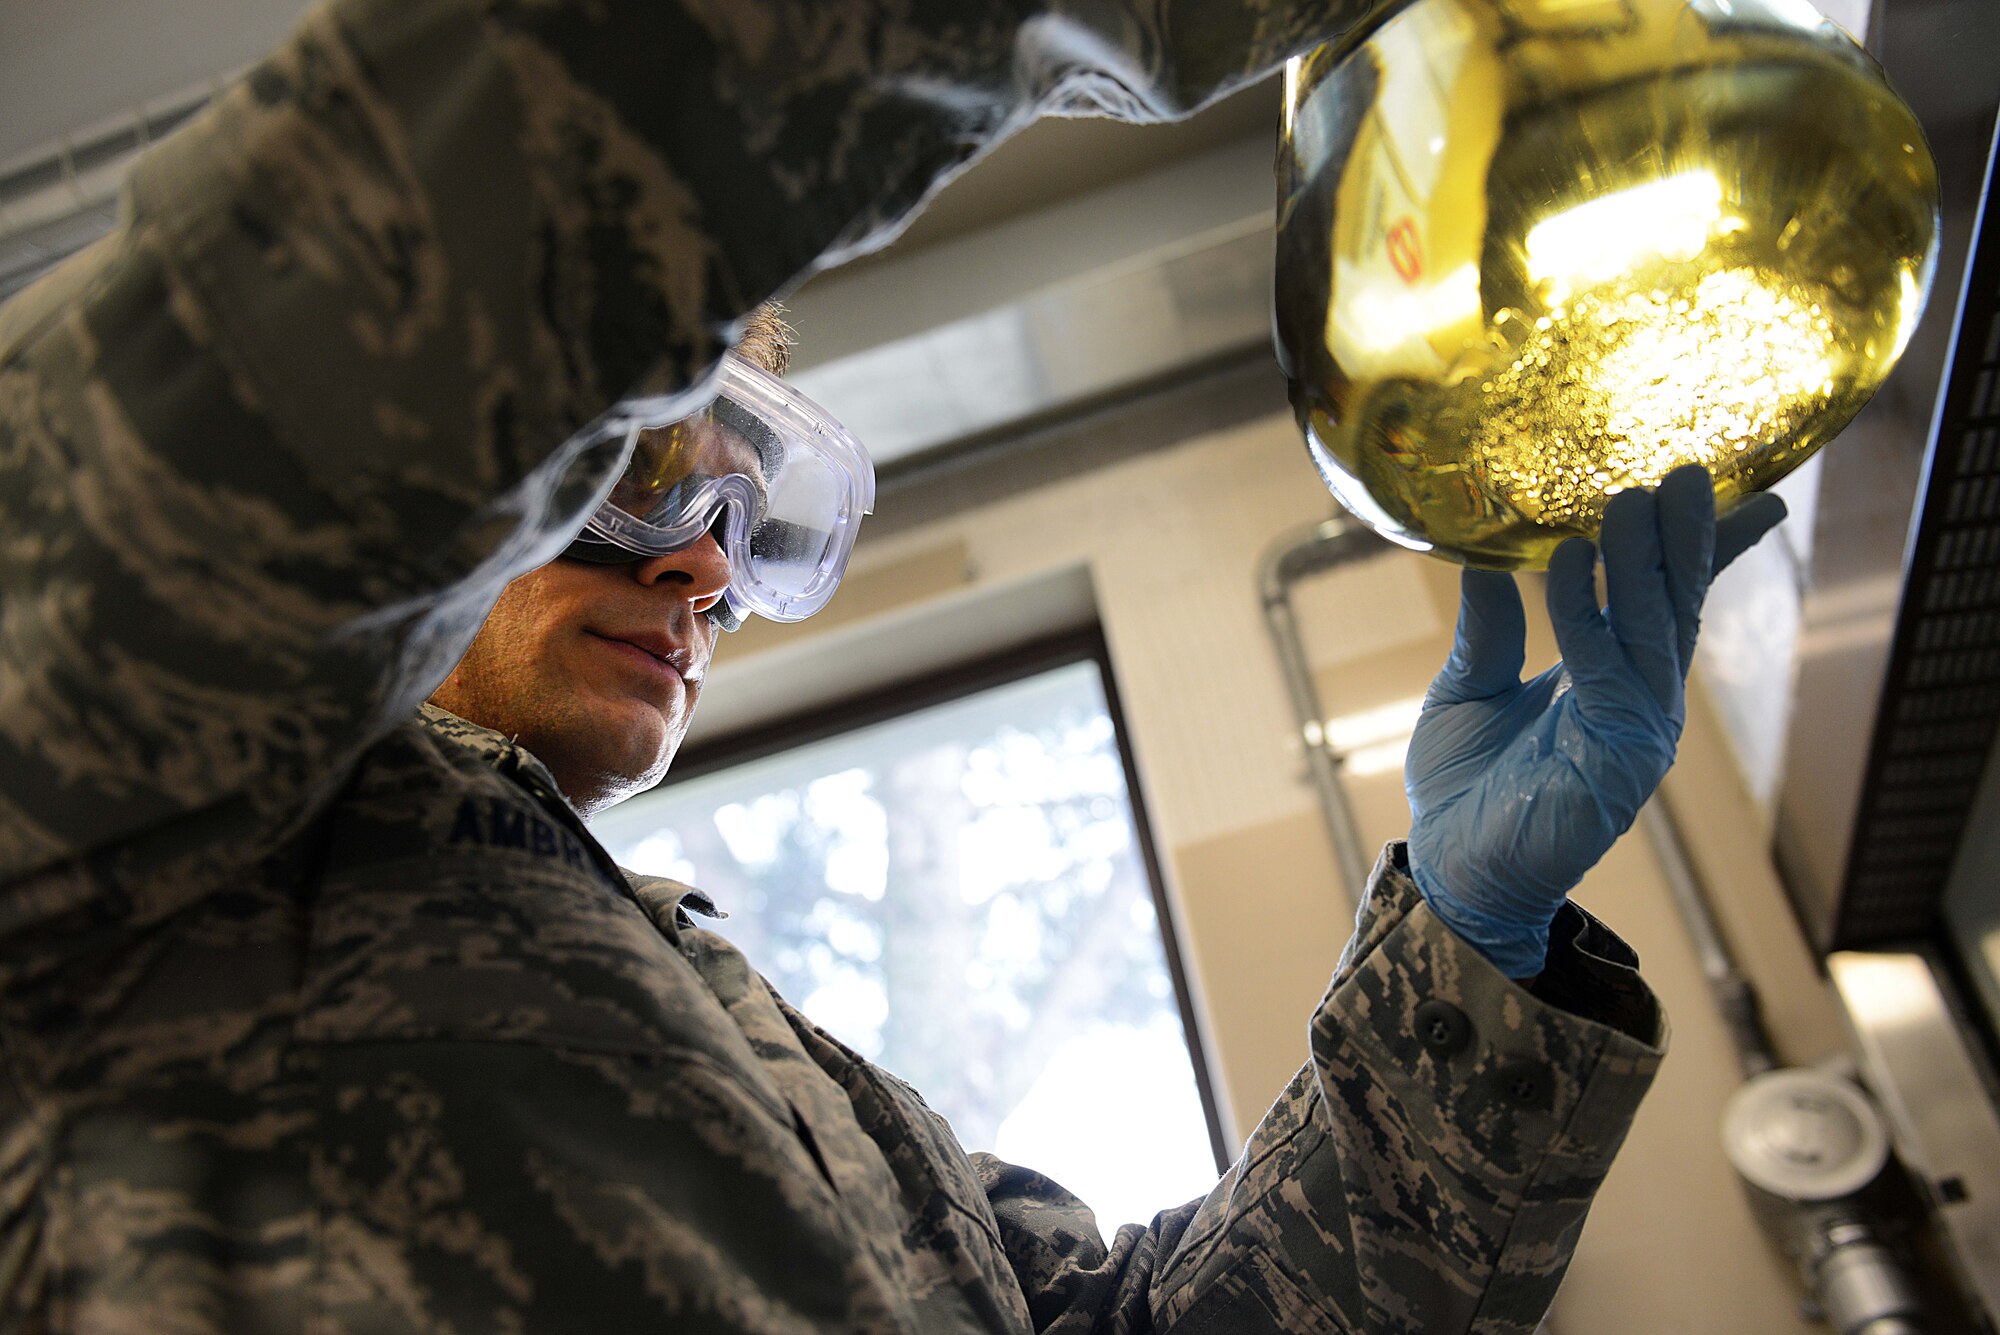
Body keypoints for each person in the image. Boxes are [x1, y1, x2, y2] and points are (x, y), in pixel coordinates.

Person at [0, 1, 1787, 1331]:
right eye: (635, 490)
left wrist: (1460, 970)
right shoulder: (147, 751)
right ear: (473, 477)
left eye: (738, 519)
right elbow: (538, 166)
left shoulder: (757, 1044)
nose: (703, 572)